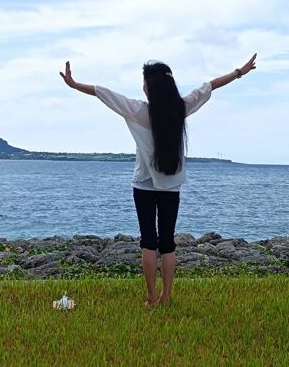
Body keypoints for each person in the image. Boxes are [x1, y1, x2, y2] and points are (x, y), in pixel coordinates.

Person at [59, 53, 257, 308]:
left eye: (144, 81)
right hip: (171, 186)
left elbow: (102, 92)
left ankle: (151, 297)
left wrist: (74, 85)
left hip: (142, 185)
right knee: (168, 241)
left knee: (148, 241)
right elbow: (211, 86)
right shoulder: (181, 109)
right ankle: (166, 295)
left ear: (149, 86)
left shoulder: (138, 111)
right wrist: (239, 72)